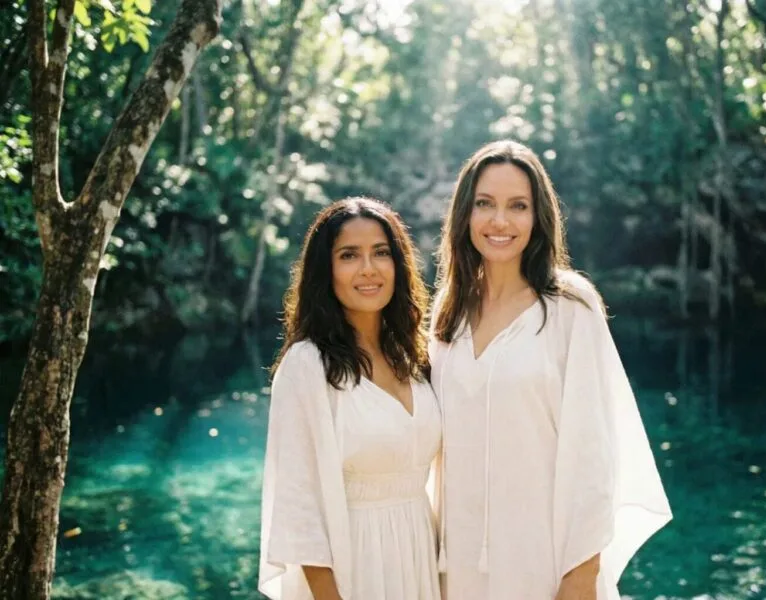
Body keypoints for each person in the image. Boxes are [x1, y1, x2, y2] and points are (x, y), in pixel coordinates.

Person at [429, 141, 672, 600]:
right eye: (485, 204)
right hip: (456, 566)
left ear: (538, 217)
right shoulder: (449, 310)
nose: (499, 221)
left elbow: (594, 454)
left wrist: (579, 575)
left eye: (517, 206)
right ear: (464, 214)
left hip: (543, 560)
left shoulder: (570, 308)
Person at [259, 197, 441, 600]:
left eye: (381, 253)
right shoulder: (308, 364)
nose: (368, 269)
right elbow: (298, 504)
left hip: (421, 555)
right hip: (354, 562)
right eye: (349, 255)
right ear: (326, 271)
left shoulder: (417, 356)